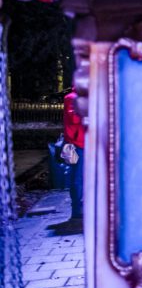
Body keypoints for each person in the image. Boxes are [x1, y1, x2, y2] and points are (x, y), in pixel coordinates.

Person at [62, 91, 85, 222]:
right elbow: (74, 118)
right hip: (77, 144)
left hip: (87, 142)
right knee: (77, 178)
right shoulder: (72, 98)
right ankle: (77, 210)